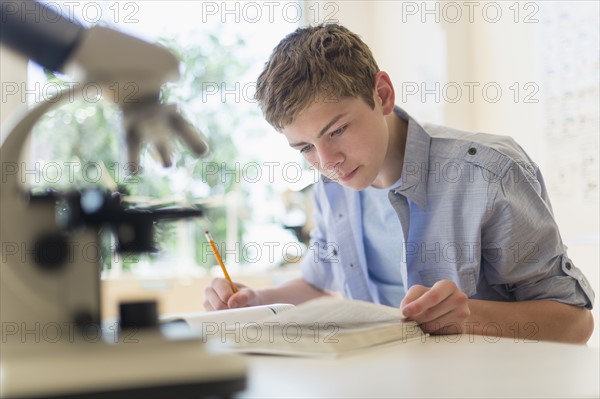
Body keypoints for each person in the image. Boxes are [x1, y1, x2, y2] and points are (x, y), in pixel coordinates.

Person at [204, 23, 595, 343]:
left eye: (337, 130)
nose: (328, 163)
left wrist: (470, 316)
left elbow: (575, 323)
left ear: (383, 94)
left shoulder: (490, 173)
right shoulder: (330, 189)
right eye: (305, 147)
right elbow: (317, 281)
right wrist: (256, 301)